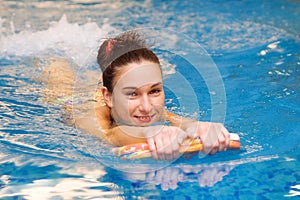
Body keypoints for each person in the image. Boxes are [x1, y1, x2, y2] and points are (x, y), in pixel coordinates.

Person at [42, 31, 230, 160]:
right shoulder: (91, 112)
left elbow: (174, 119)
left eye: (155, 90)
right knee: (58, 71)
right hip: (69, 95)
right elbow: (109, 136)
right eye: (133, 94)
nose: (147, 107)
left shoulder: (148, 106)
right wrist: (149, 132)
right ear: (107, 97)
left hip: (110, 88)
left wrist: (198, 126)